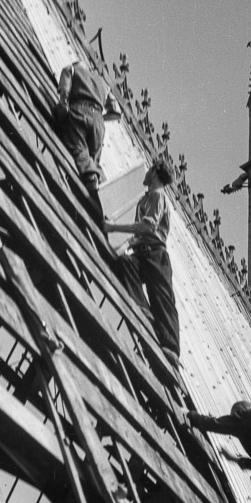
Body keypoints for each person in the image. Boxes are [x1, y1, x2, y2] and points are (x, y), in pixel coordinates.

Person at [104, 158, 180, 368]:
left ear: (155, 172)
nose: (145, 174)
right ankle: (144, 312)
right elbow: (139, 233)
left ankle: (171, 348)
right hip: (142, 252)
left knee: (162, 298)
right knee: (126, 264)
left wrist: (114, 228)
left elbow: (148, 227)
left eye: (149, 170)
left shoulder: (157, 195)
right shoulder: (144, 200)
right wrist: (127, 242)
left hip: (156, 254)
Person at [53, 60, 119, 221]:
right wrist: (98, 117)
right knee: (94, 160)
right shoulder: (102, 83)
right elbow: (117, 112)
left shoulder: (72, 69)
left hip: (78, 111)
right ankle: (105, 194)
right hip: (98, 122)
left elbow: (65, 92)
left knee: (79, 150)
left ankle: (91, 181)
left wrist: (63, 105)